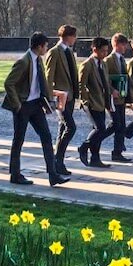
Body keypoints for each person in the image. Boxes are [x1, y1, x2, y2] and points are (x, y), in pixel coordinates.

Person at [2, 32, 69, 187]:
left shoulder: (38, 59)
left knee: (46, 137)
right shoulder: (23, 62)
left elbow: (42, 82)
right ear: (39, 46)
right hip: (23, 106)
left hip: (36, 105)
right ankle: (15, 174)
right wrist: (17, 105)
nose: (46, 49)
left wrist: (48, 102)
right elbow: (8, 83)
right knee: (18, 140)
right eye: (45, 46)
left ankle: (53, 175)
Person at [44, 24, 79, 176]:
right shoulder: (54, 52)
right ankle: (57, 160)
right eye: (74, 36)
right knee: (71, 127)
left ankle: (57, 162)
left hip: (70, 96)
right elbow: (48, 76)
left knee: (63, 128)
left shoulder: (69, 52)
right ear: (68, 36)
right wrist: (50, 98)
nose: (75, 39)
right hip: (60, 97)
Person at [77, 36, 113, 169]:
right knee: (100, 129)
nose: (105, 53)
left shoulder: (103, 64)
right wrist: (86, 100)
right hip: (91, 102)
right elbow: (81, 84)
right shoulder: (87, 64)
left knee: (98, 130)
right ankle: (84, 147)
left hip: (101, 102)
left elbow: (106, 83)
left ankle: (95, 158)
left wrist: (108, 101)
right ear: (94, 49)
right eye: (103, 51)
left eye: (106, 51)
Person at [103, 33, 132, 162]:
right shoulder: (109, 60)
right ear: (117, 44)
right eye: (123, 44)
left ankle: (117, 152)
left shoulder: (122, 59)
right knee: (116, 124)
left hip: (121, 97)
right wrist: (111, 90)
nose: (126, 47)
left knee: (121, 125)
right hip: (112, 98)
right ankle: (94, 139)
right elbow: (104, 79)